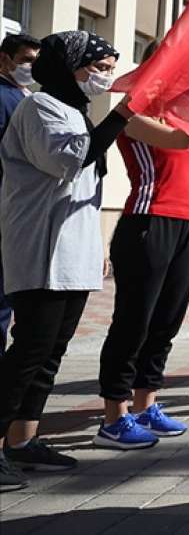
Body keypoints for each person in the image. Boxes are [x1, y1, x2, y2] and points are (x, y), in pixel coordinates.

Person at [0, 31, 133, 491]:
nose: (105, 77)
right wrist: (122, 115)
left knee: (50, 355)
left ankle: (22, 441)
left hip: (73, 252)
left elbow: (85, 190)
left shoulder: (74, 111)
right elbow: (69, 161)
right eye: (99, 67)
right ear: (69, 67)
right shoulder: (38, 108)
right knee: (29, 352)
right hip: (41, 249)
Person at [95, 41, 189, 449]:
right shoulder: (131, 110)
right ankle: (113, 417)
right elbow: (179, 142)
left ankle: (146, 405)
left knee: (166, 323)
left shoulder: (181, 111)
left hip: (183, 224)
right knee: (133, 322)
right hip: (147, 221)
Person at [0, 32, 39, 355]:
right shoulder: (3, 97)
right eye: (25, 60)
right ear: (5, 59)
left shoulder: (26, 97)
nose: (31, 67)